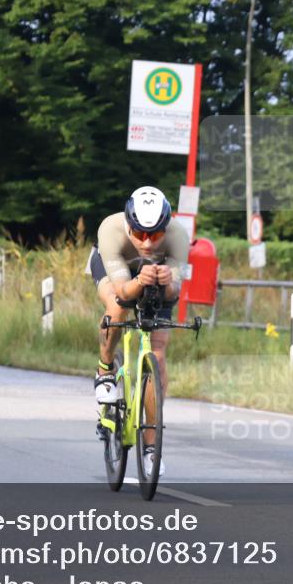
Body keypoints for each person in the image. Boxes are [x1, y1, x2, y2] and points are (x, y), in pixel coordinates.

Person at [85, 186, 190, 475]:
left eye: (155, 235)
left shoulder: (179, 235)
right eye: (140, 234)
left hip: (156, 281)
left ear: (165, 227)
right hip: (115, 272)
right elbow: (122, 292)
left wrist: (167, 281)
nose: (146, 243)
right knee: (117, 309)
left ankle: (151, 446)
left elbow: (173, 293)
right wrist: (141, 281)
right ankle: (105, 370)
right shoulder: (111, 229)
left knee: (157, 354)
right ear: (129, 225)